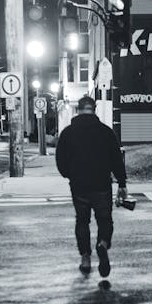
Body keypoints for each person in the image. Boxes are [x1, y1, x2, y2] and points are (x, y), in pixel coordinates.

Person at [55, 95, 127, 277]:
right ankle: (102, 244)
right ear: (94, 110)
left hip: (79, 185)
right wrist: (122, 182)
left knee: (82, 220)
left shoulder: (68, 133)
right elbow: (116, 160)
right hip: (102, 184)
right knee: (105, 220)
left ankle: (85, 258)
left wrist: (70, 174)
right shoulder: (106, 132)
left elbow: (60, 160)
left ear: (78, 110)